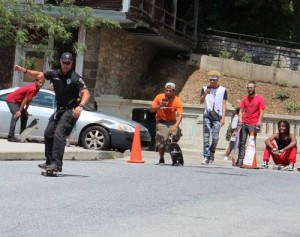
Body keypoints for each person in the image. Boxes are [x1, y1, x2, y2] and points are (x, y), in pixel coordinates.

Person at [14, 52, 90, 172]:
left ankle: (57, 164)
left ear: (71, 64)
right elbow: (39, 75)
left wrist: (80, 106)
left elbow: (86, 93)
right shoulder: (55, 74)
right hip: (59, 111)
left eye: (68, 63)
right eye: (64, 62)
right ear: (60, 62)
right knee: (48, 133)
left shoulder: (75, 77)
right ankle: (49, 161)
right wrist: (24, 71)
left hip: (71, 110)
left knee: (59, 133)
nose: (66, 65)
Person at [150, 82, 183, 165]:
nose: (168, 92)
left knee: (175, 137)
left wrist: (175, 126)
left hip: (172, 122)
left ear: (173, 92)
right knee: (161, 142)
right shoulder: (159, 97)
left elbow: (180, 115)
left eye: (170, 91)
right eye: (166, 90)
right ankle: (161, 158)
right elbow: (151, 109)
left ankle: (176, 159)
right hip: (162, 122)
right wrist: (159, 106)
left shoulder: (177, 100)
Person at [200, 70, 227, 165]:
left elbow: (224, 104)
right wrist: (205, 94)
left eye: (214, 80)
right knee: (206, 137)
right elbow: (201, 101)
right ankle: (206, 156)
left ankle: (212, 151)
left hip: (217, 116)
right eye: (210, 79)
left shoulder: (223, 90)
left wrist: (223, 118)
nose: (212, 81)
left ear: (218, 80)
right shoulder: (204, 88)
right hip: (207, 115)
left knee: (215, 137)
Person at [235, 81, 265, 167]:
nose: (249, 89)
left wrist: (259, 122)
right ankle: (240, 159)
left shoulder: (259, 99)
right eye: (248, 88)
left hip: (253, 124)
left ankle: (250, 160)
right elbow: (241, 110)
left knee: (252, 142)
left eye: (251, 87)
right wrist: (240, 120)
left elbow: (261, 111)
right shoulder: (245, 99)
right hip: (244, 123)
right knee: (242, 142)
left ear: (255, 88)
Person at [5, 78, 45, 142]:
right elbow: (25, 100)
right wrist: (19, 111)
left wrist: (25, 110)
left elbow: (29, 99)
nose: (41, 84)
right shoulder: (33, 88)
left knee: (24, 116)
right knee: (16, 115)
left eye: (42, 83)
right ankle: (10, 136)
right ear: (36, 81)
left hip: (18, 102)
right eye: (40, 82)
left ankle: (22, 136)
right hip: (12, 100)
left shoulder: (37, 88)